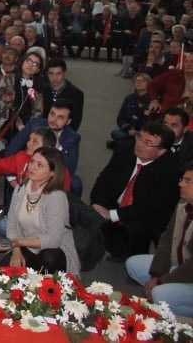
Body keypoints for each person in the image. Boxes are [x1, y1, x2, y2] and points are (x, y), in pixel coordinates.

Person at [91, 121, 181, 261]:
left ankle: (137, 259)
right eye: (139, 137)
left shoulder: (171, 170)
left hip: (147, 214)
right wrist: (97, 204)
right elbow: (104, 179)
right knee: (93, 214)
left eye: (148, 143)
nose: (139, 144)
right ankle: (118, 250)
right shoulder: (124, 150)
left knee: (137, 229)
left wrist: (112, 214)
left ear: (161, 151)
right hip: (118, 202)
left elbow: (151, 206)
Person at [0, 147, 80, 274]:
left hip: (53, 250)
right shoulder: (20, 189)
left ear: (52, 173)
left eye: (40, 165)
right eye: (32, 161)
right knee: (2, 273)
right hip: (25, 245)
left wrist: (16, 242)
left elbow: (53, 239)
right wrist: (16, 250)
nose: (32, 167)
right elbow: (12, 224)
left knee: (49, 259)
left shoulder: (56, 196)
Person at [126, 160, 193, 318]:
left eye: (188, 181)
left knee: (160, 294)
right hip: (180, 264)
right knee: (133, 264)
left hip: (189, 272)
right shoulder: (183, 204)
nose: (181, 184)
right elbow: (167, 238)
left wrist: (162, 281)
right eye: (182, 179)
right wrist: (157, 274)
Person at [109, 72, 153, 148]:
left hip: (145, 134)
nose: (138, 83)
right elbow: (120, 118)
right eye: (136, 81)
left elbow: (154, 122)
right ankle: (130, 144)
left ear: (149, 83)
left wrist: (140, 132)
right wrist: (128, 129)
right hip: (129, 132)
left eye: (142, 81)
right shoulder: (129, 98)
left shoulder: (153, 101)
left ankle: (123, 145)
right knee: (115, 133)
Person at [41, 58, 85, 131]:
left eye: (58, 74)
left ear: (64, 73)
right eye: (51, 74)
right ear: (47, 74)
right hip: (42, 131)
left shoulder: (76, 94)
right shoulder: (42, 90)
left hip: (63, 134)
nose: (54, 78)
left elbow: (75, 122)